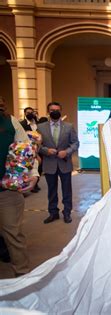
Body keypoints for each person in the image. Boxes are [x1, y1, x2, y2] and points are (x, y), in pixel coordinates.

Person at [0, 96, 39, 276]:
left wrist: (33, 174)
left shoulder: (10, 122)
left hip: (7, 191)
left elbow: (26, 150)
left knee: (13, 234)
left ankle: (23, 278)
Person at [37, 102, 79, 224]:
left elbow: (75, 143)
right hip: (49, 164)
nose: (54, 111)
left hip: (64, 163)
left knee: (67, 190)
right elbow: (36, 146)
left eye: (57, 109)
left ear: (61, 111)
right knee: (51, 190)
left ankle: (67, 213)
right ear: (48, 111)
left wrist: (67, 152)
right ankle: (53, 213)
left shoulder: (69, 126)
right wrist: (46, 150)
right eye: (51, 110)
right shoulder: (41, 127)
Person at [19, 107, 42, 193]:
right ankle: (26, 185)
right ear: (25, 114)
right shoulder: (21, 124)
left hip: (39, 148)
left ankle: (36, 184)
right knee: (29, 167)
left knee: (39, 167)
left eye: (32, 112)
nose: (30, 114)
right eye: (28, 112)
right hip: (27, 149)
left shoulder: (38, 123)